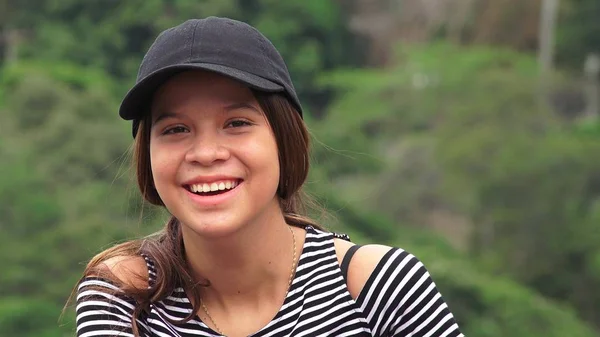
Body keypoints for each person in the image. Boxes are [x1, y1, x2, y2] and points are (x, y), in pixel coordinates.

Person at [73, 17, 464, 337]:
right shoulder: (125, 296)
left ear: (284, 139)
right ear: (149, 157)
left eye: (237, 123)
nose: (207, 154)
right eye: (175, 129)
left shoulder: (375, 288)